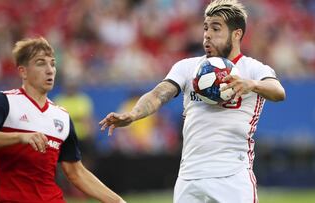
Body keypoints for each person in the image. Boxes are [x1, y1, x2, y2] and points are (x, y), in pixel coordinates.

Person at [99, 0, 286, 202]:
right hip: (190, 176)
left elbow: (278, 91)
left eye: (216, 28)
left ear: (236, 34)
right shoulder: (188, 67)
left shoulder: (253, 69)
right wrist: (134, 114)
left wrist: (252, 85)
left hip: (233, 174)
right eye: (205, 28)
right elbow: (159, 93)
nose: (207, 34)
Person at [0, 37, 125, 203]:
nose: (50, 70)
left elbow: (76, 171)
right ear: (23, 71)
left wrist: (117, 201)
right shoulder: (6, 101)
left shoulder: (62, 116)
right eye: (41, 63)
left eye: (53, 63)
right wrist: (20, 137)